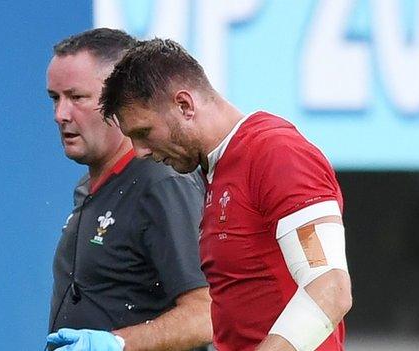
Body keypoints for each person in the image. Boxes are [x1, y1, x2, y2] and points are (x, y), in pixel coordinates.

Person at [99, 38, 352, 351]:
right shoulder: (216, 170)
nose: (139, 152)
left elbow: (330, 288)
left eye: (144, 133)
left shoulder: (277, 153)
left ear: (184, 106)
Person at [45, 29, 212, 351]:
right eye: (55, 98)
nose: (60, 115)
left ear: (118, 99)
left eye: (77, 97)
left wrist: (115, 344)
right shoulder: (91, 186)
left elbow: (207, 313)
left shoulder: (161, 182)